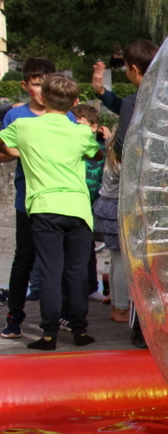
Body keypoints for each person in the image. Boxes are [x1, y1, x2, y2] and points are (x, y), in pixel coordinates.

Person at [0, 73, 107, 349]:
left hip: (44, 207)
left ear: (43, 97)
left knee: (50, 271)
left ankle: (49, 334)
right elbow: (96, 154)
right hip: (77, 209)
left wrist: (19, 151)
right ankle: (80, 330)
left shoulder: (24, 126)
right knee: (76, 272)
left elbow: (3, 143)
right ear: (74, 102)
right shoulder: (81, 132)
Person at [94, 39, 158, 324]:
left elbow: (123, 143)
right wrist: (102, 93)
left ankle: (120, 307)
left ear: (134, 69)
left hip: (130, 195)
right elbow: (124, 107)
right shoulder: (166, 96)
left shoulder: (136, 100)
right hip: (159, 189)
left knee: (120, 256)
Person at [2, 58, 65, 338]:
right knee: (24, 257)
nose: (42, 90)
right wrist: (24, 151)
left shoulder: (66, 115)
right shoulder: (16, 117)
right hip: (27, 201)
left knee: (58, 261)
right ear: (25, 85)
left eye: (47, 84)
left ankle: (63, 316)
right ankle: (14, 316)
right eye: (37, 84)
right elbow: (4, 153)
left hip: (59, 200)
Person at [70, 103, 108, 302]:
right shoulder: (70, 146)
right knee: (74, 249)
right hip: (74, 203)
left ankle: (92, 287)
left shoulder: (101, 149)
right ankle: (76, 289)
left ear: (93, 127)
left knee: (89, 247)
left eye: (80, 125)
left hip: (93, 205)